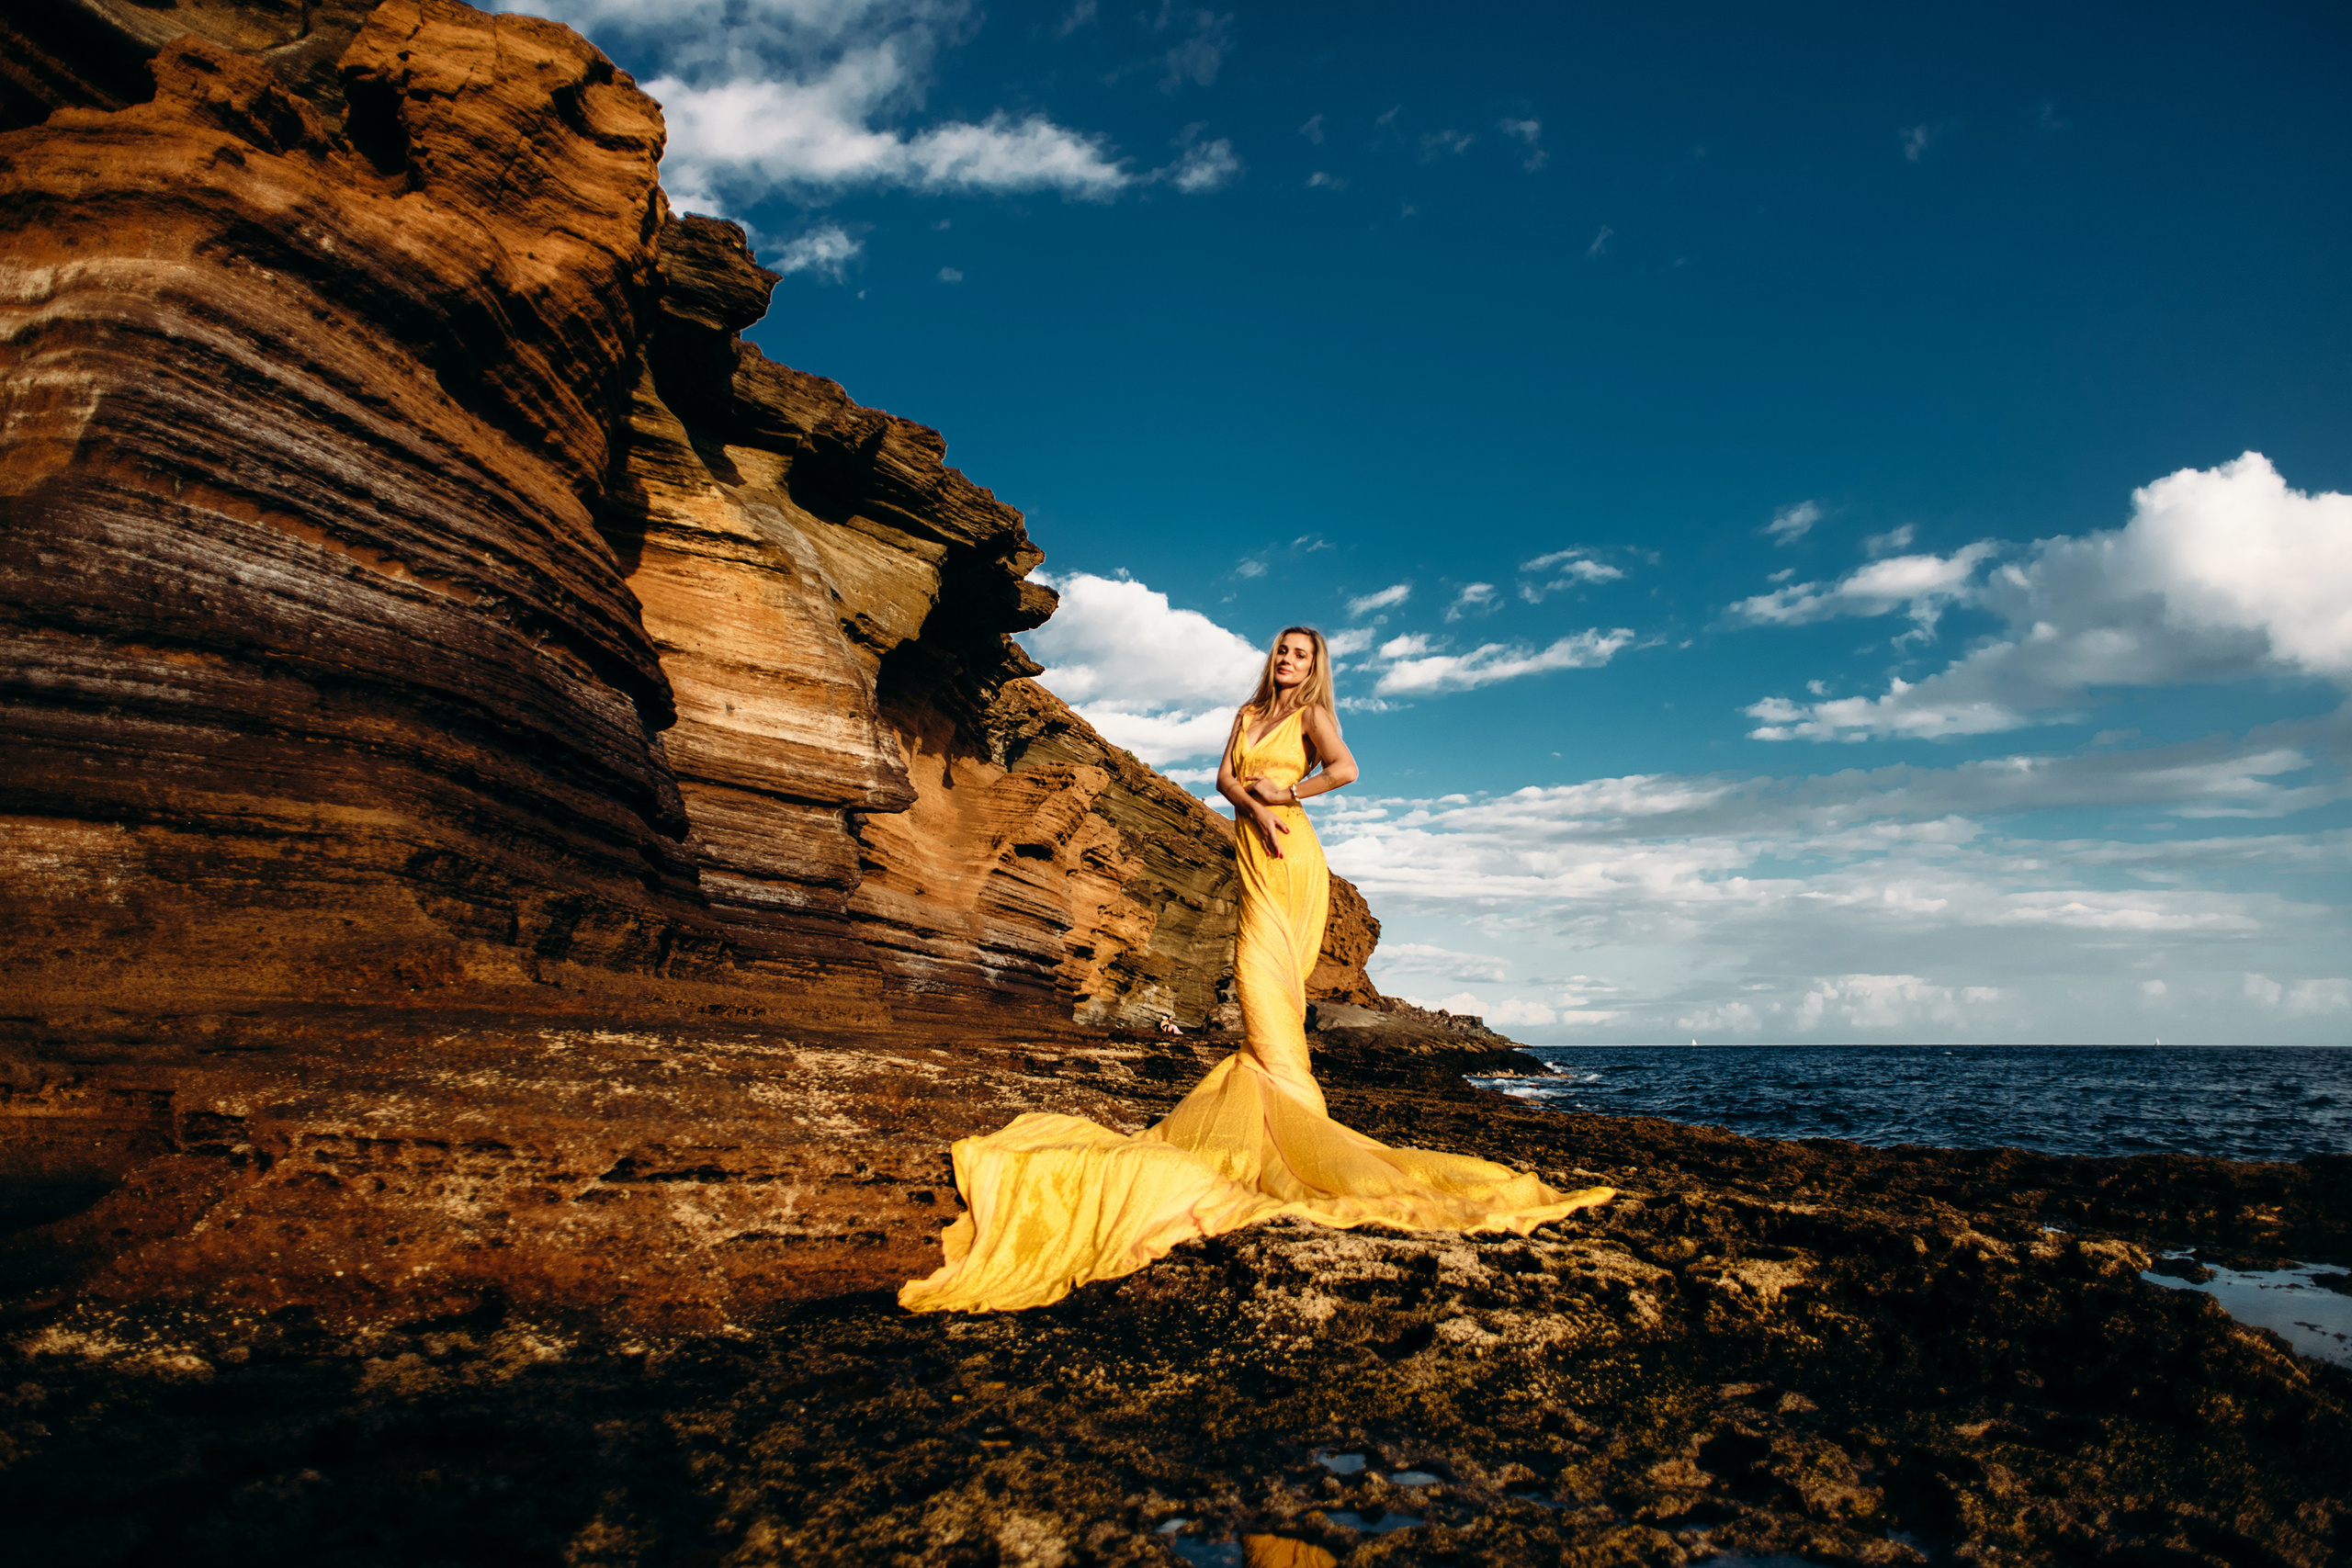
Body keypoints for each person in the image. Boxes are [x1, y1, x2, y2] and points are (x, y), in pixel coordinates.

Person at [897, 626, 1612, 1314]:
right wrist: (1255, 807)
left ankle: (1302, 1134)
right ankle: (1285, 1126)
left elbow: (1349, 769)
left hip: (1293, 859)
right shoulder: (1248, 712)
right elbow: (1222, 780)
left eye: (1300, 655)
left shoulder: (1314, 714)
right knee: (1254, 981)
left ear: (1314, 665)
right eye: (1281, 651)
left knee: (1265, 984)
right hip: (1257, 849)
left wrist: (1287, 799)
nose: (1287, 661)